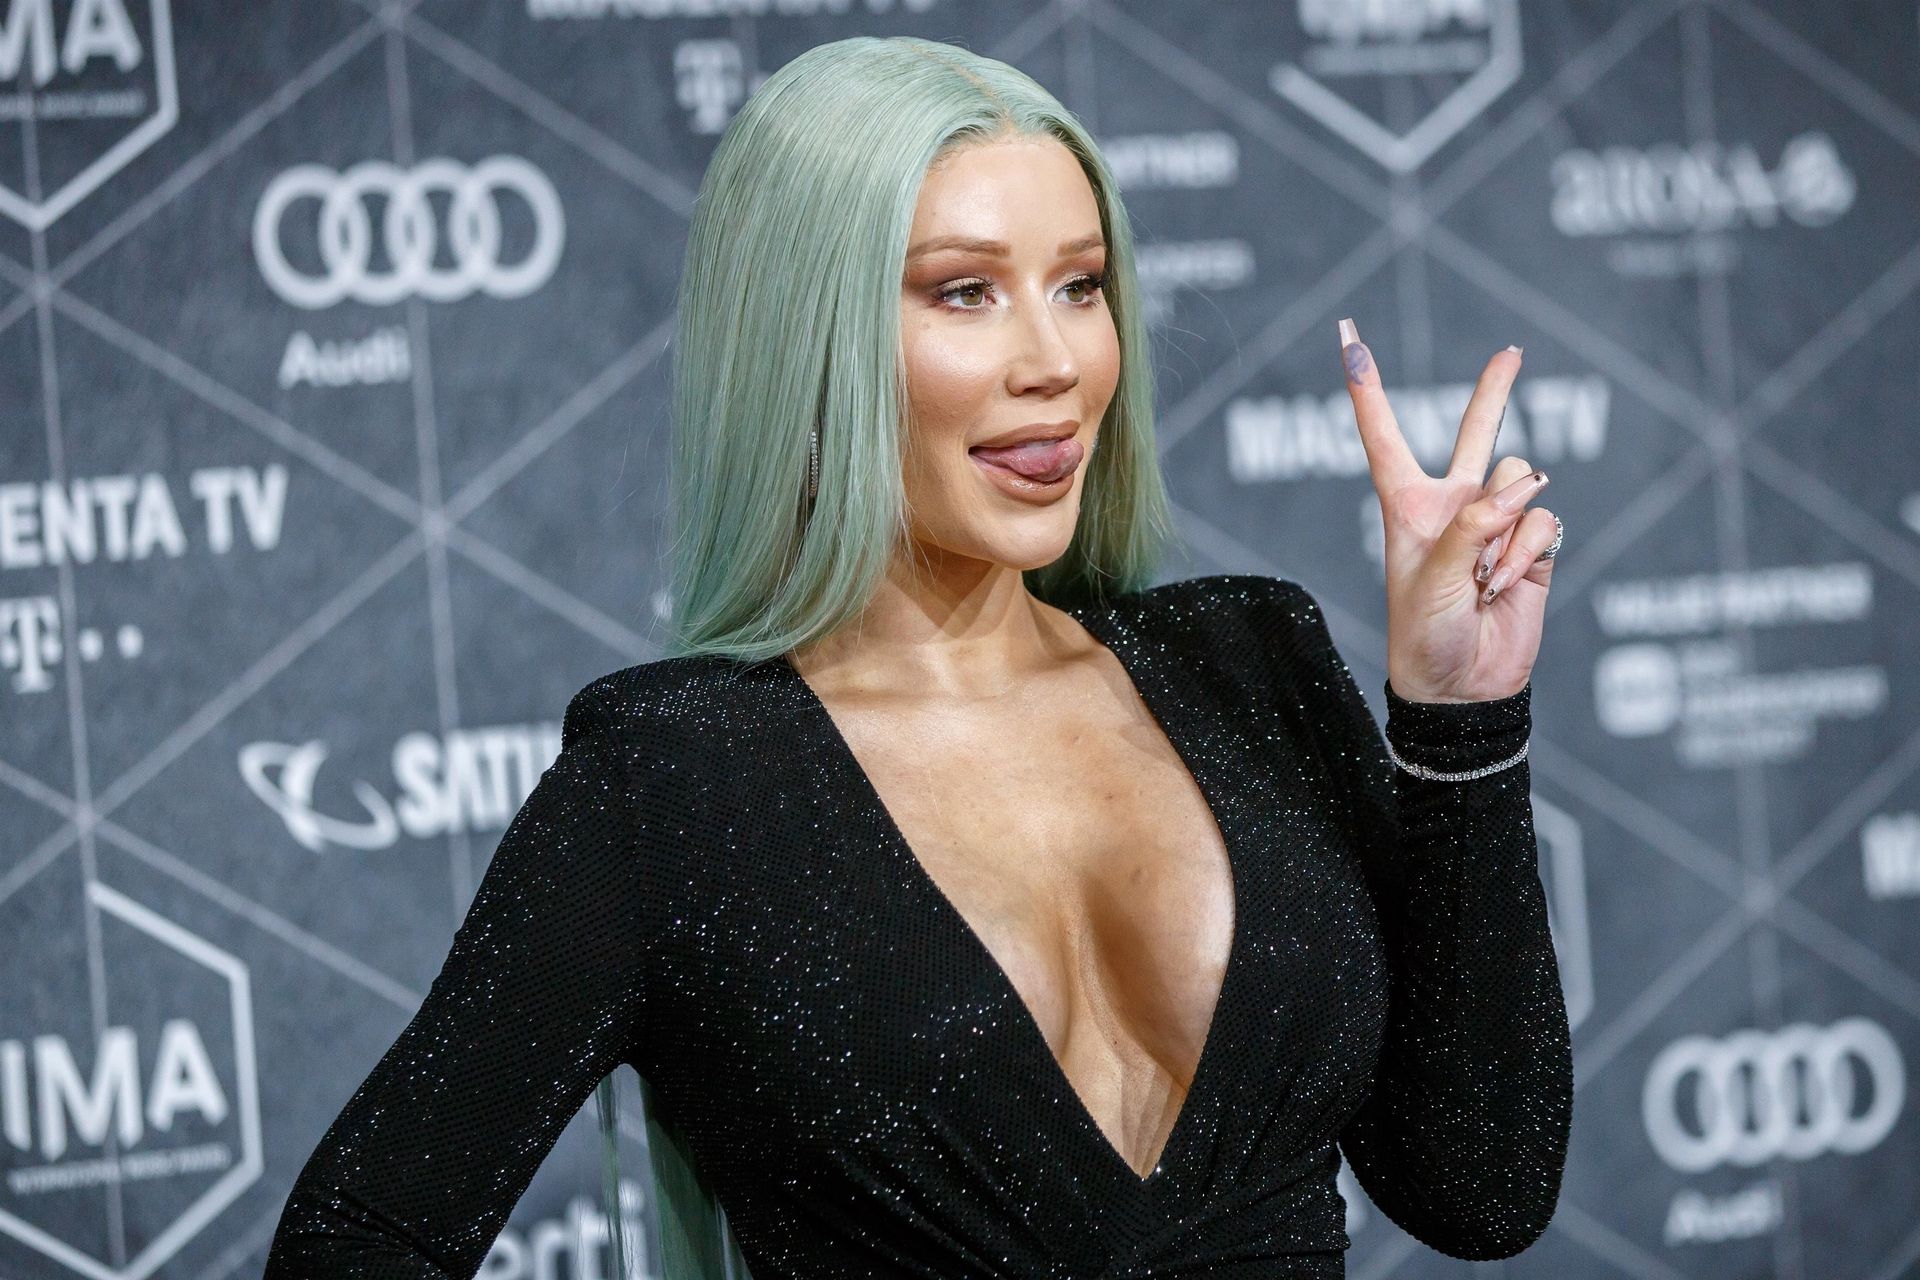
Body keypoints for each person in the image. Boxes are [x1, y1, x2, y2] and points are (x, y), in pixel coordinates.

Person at [264, 33, 1571, 1280]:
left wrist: (1461, 718)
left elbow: (1480, 1186)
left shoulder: (1247, 663)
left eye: (1080, 285)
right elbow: (358, 1237)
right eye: (964, 292)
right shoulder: (672, 787)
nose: (1054, 362)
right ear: (807, 337)